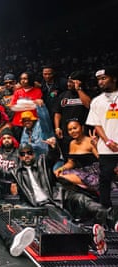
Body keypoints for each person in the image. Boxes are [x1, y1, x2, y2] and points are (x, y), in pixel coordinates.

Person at [86, 66, 118, 209]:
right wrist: (107, 141)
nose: (100, 82)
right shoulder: (96, 101)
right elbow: (96, 125)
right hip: (106, 148)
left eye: (104, 78)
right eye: (98, 79)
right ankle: (106, 211)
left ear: (114, 79)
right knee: (105, 179)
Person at [54, 119, 99, 192]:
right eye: (70, 130)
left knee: (63, 178)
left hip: (94, 173)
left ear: (82, 128)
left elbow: (102, 159)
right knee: (58, 174)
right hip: (80, 171)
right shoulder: (72, 143)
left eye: (75, 128)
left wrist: (97, 146)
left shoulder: (90, 141)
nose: (72, 131)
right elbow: (71, 163)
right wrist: (61, 168)